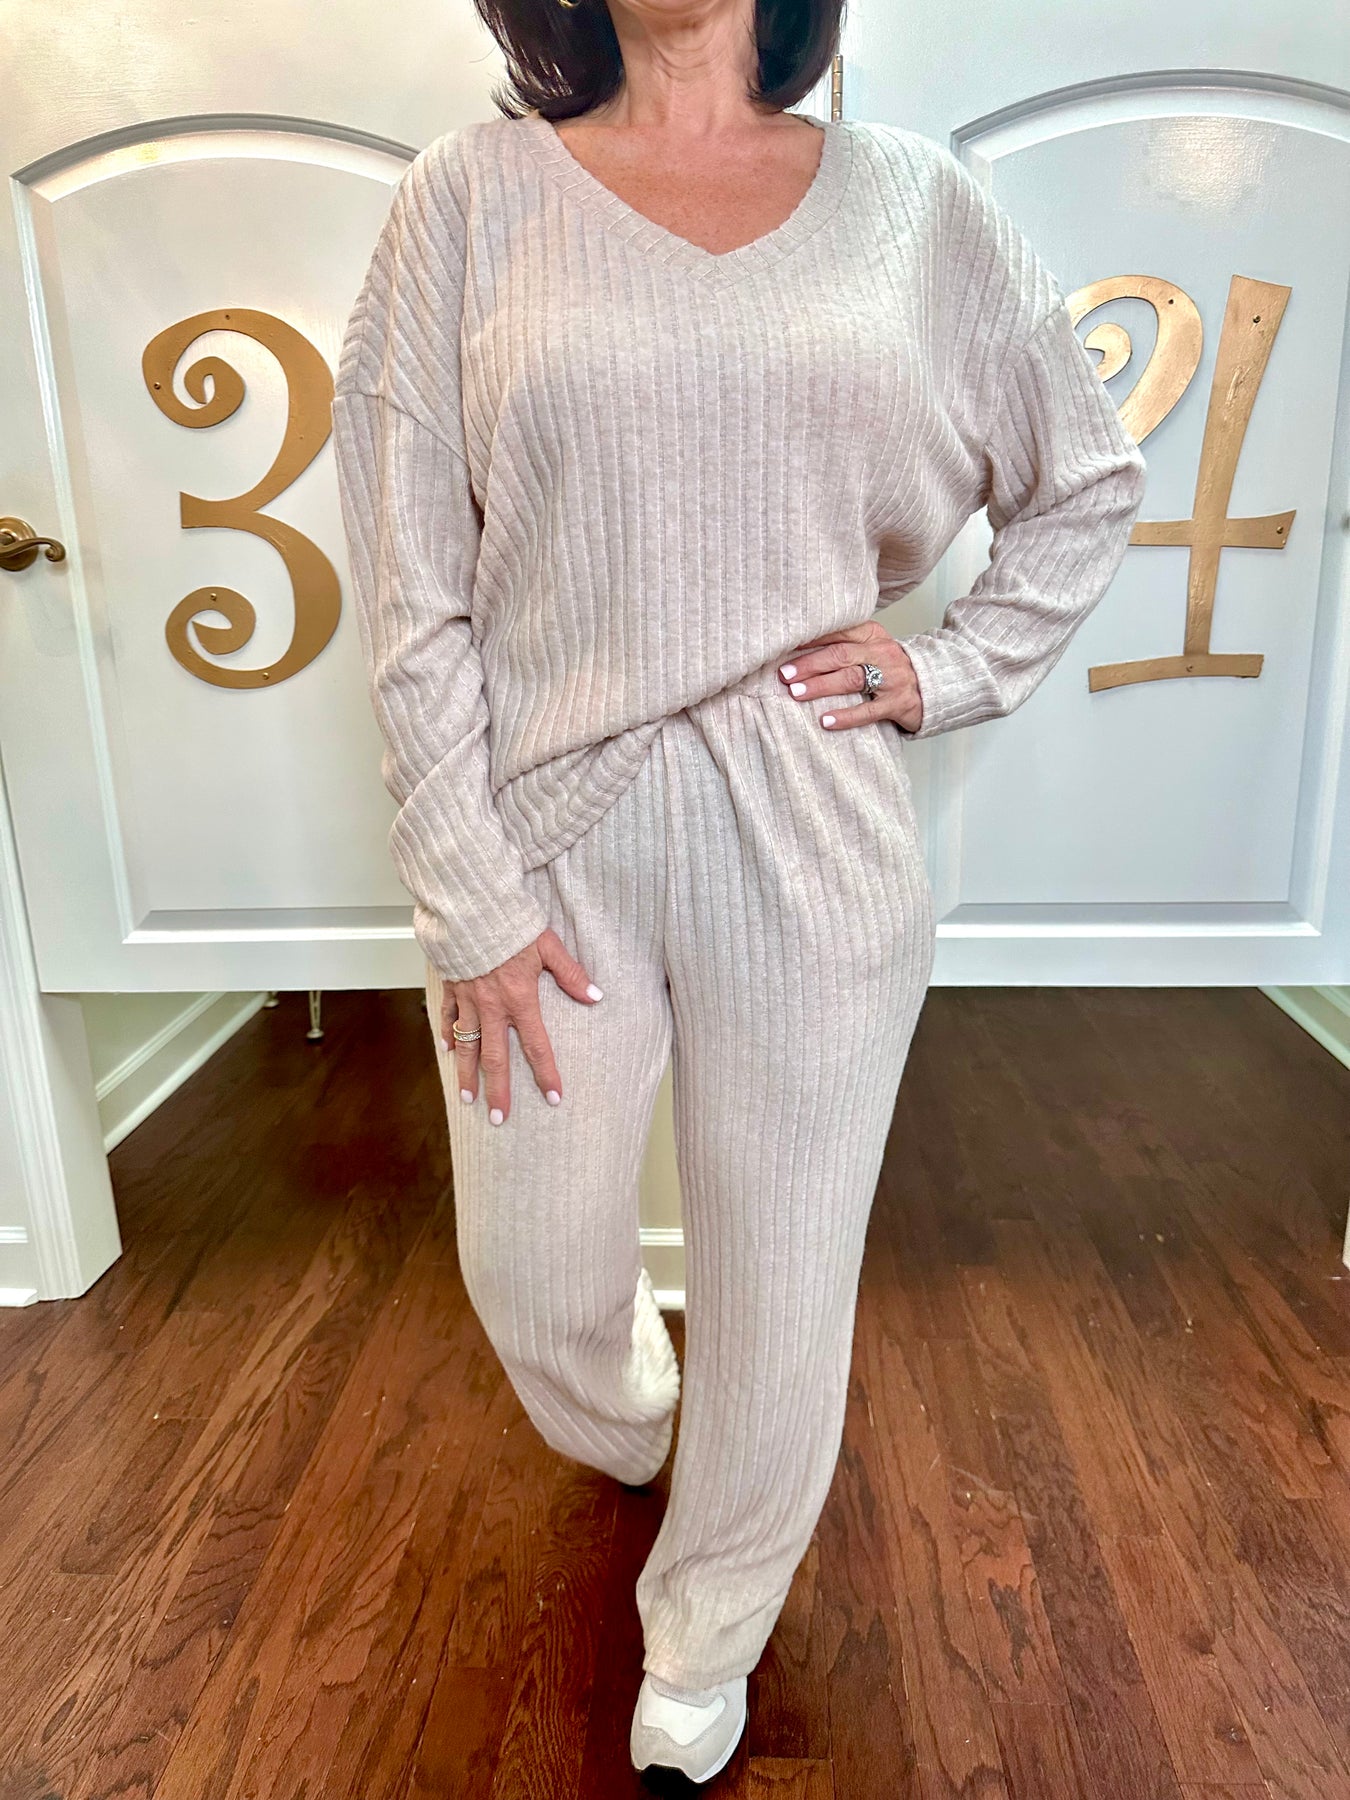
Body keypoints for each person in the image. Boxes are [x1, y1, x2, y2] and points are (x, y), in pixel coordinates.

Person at [330, 0, 1147, 1779]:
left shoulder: (916, 208)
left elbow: (1085, 480)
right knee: (534, 1272)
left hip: (812, 820)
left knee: (782, 1279)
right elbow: (408, 582)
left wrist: (949, 666)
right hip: (551, 825)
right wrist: (465, 891)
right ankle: (639, 1422)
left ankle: (708, 1627)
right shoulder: (465, 200)